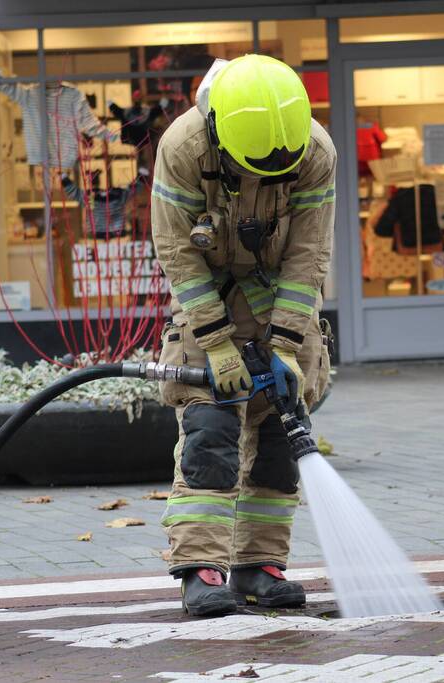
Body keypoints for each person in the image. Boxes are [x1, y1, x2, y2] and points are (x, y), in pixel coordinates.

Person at [150, 54, 335, 617]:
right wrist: (216, 340)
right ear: (219, 133)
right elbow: (179, 253)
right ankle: (202, 569)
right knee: (210, 430)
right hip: (209, 298)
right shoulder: (182, 149)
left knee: (283, 436)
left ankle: (261, 565)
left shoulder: (314, 152)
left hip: (280, 302)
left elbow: (308, 257)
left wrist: (285, 346)